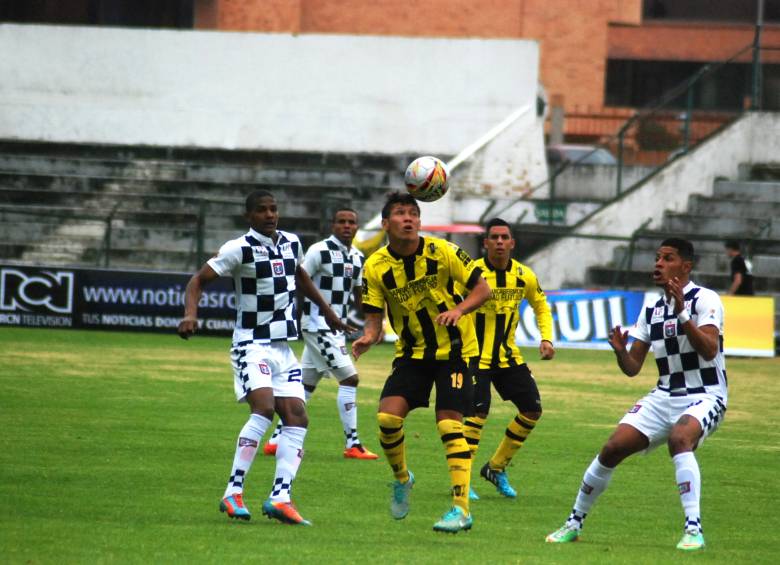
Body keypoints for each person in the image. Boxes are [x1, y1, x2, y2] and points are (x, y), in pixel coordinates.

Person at [177, 190, 353, 526]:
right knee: (265, 408)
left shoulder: (290, 242)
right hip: (251, 345)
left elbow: (299, 275)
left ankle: (281, 498)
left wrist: (327, 311)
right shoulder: (237, 249)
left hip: (283, 349)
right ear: (249, 216)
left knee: (298, 416)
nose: (270, 215)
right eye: (262, 210)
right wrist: (190, 314)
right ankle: (233, 491)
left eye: (273, 209)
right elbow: (197, 281)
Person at [546, 238, 727, 552]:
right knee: (612, 448)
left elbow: (710, 350)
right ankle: (573, 523)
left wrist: (683, 314)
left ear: (686, 266)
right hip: (664, 395)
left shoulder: (705, 300)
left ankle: (693, 529)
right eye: (657, 258)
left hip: (705, 394)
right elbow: (633, 368)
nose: (658, 263)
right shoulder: (652, 309)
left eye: (667, 258)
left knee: (679, 439)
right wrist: (620, 352)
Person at [351, 191, 492, 533]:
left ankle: (461, 509)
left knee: (449, 424)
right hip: (412, 355)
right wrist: (369, 337)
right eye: (400, 213)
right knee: (386, 418)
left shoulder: (442, 251)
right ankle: (402, 478)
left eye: (413, 212)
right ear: (386, 224)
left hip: (454, 353)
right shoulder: (375, 266)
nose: (409, 218)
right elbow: (373, 316)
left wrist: (458, 310)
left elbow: (482, 289)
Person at [263, 208, 378, 460]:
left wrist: (376, 317)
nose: (347, 226)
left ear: (357, 227)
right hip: (317, 326)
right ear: (333, 225)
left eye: (351, 222)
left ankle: (275, 440)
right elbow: (299, 279)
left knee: (306, 385)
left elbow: (360, 296)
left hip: (336, 330)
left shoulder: (358, 257)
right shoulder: (319, 251)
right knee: (350, 379)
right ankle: (353, 443)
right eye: (341, 221)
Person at [460, 218, 554, 501]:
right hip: (474, 356)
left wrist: (547, 337)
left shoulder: (524, 275)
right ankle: (462, 480)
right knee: (476, 415)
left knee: (532, 409)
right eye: (494, 237)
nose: (499, 242)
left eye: (504, 237)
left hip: (507, 356)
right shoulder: (471, 273)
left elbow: (541, 306)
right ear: (485, 243)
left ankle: (496, 467)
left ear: (512, 243)